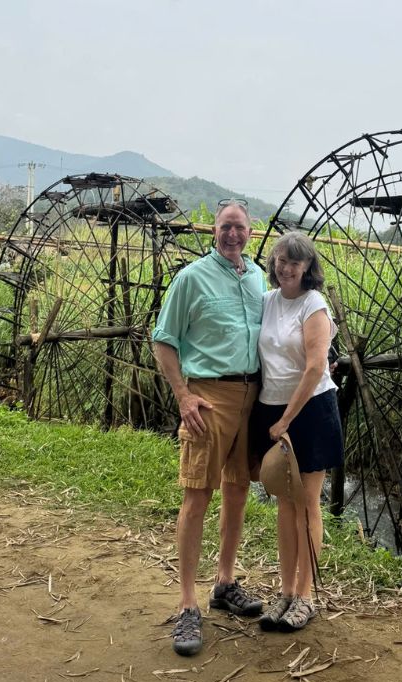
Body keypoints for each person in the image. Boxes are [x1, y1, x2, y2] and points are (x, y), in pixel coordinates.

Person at [152, 199, 267, 656]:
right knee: (198, 494)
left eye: (239, 227)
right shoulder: (191, 278)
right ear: (213, 231)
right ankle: (186, 606)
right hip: (208, 396)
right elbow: (164, 339)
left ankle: (224, 582)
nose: (232, 234)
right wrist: (183, 395)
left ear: (250, 233)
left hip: (252, 396)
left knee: (238, 488)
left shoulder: (259, 277)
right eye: (225, 227)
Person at [249, 232, 344, 633]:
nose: (286, 268)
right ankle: (285, 592)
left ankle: (305, 597)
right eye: (280, 260)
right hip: (273, 408)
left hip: (309, 410)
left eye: (295, 262)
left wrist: (287, 419)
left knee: (306, 502)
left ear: (308, 268)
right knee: (284, 504)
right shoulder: (268, 301)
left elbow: (314, 367)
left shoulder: (314, 304)